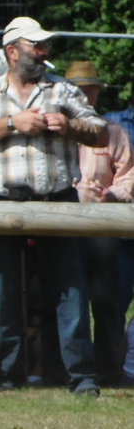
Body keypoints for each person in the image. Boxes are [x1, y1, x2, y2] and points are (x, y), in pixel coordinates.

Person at [0, 17, 107, 396]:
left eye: (44, 47)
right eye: (35, 46)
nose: (44, 53)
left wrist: (69, 125)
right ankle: (6, 374)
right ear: (12, 52)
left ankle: (80, 377)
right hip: (3, 203)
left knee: (69, 290)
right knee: (4, 291)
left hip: (57, 201)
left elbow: (101, 132)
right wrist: (12, 123)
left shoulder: (63, 90)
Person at [66, 60, 134, 385]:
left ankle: (109, 369)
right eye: (80, 90)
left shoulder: (114, 133)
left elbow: (129, 175)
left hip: (103, 226)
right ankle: (65, 368)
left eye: (91, 89)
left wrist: (112, 194)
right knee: (67, 300)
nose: (86, 95)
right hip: (63, 223)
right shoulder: (57, 132)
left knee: (107, 301)